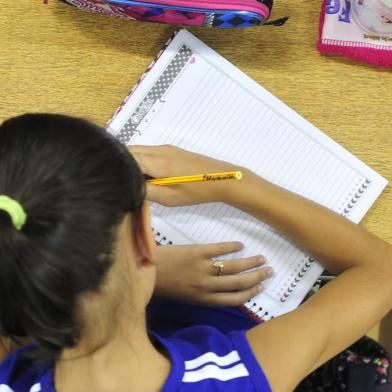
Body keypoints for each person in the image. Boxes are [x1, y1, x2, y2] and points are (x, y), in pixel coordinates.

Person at [0, 113, 391, 392]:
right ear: (144, 238)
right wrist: (232, 181)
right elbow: (382, 269)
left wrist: (143, 275)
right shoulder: (239, 377)